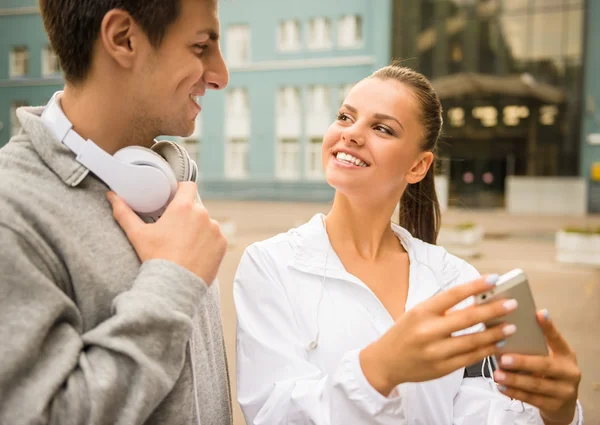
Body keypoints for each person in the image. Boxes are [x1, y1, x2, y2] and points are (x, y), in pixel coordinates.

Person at [233, 64, 583, 425]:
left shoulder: (455, 280)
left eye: (381, 128)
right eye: (344, 116)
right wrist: (378, 370)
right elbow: (272, 415)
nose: (351, 133)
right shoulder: (269, 265)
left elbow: (481, 414)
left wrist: (555, 412)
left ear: (418, 166)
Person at [0, 0, 232, 424]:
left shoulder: (161, 185)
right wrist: (171, 288)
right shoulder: (11, 217)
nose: (220, 75)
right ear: (123, 38)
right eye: (201, 46)